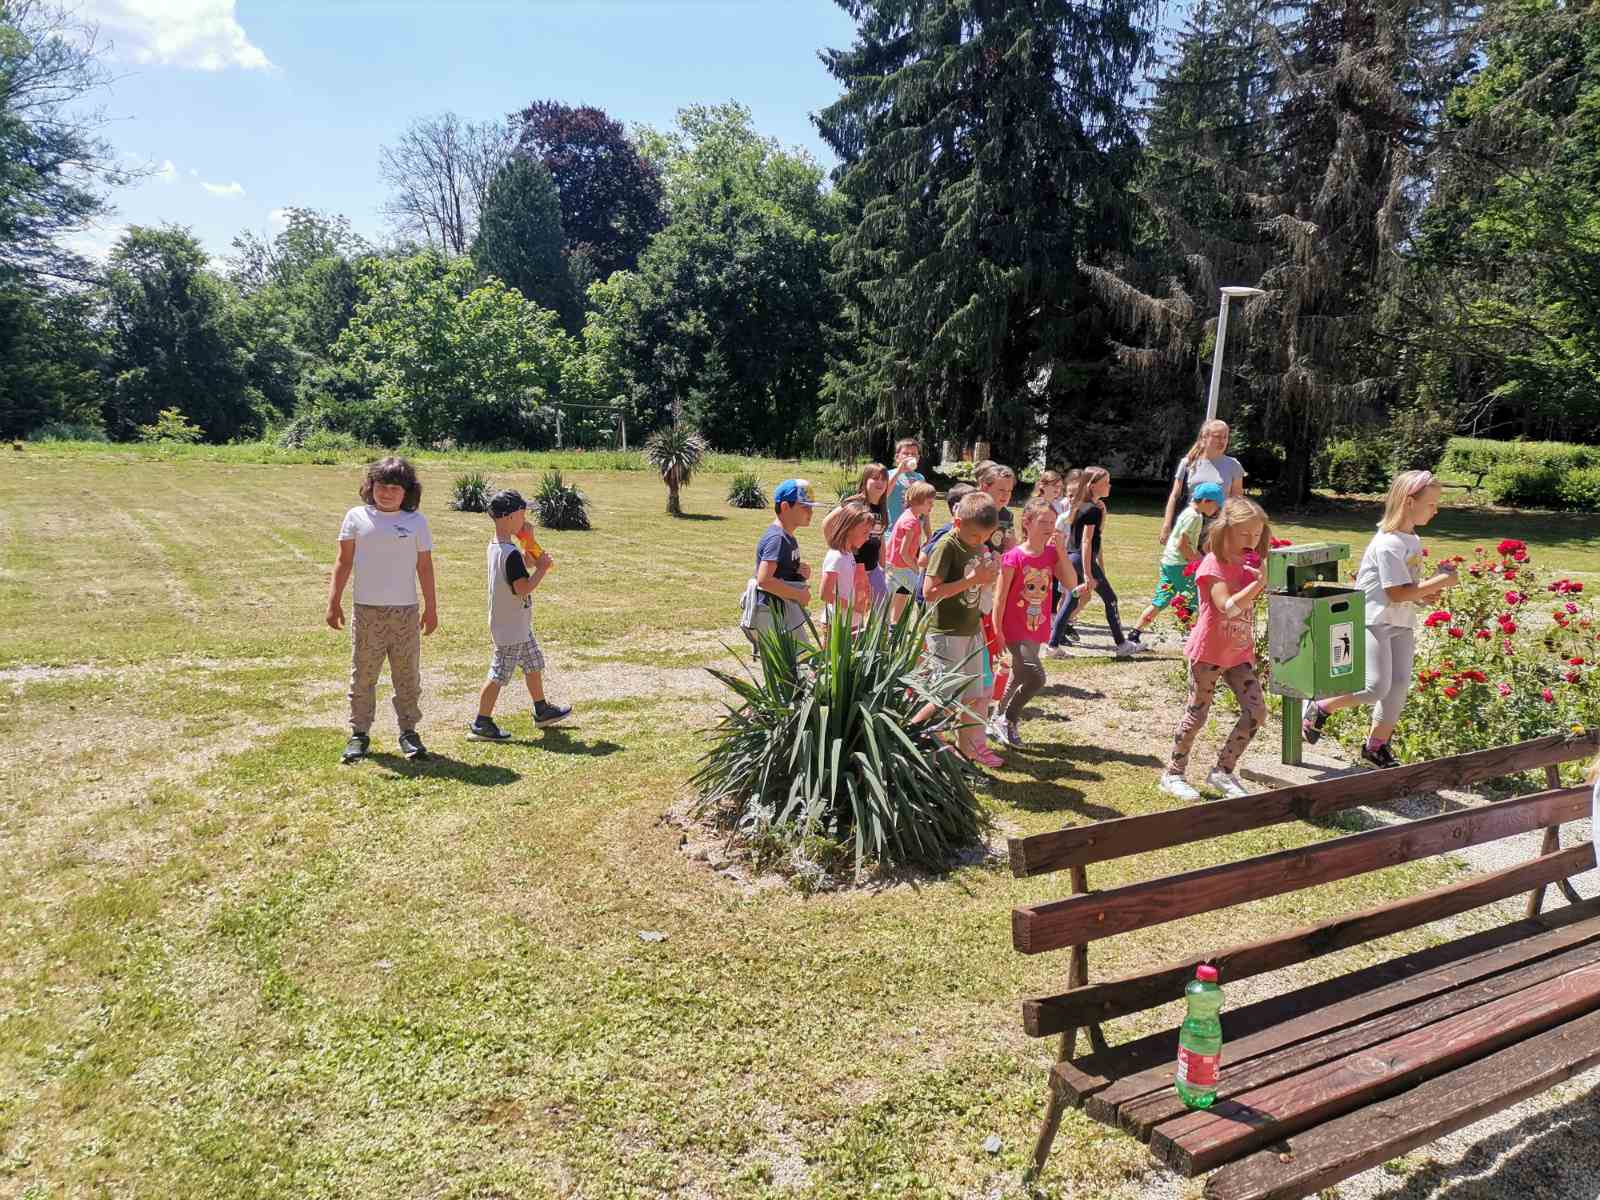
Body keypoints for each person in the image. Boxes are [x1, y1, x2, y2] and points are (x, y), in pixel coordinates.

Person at [1301, 470, 1460, 768]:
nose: (1436, 510)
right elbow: (1396, 593)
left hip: (1400, 620)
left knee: (1398, 686)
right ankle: (1321, 706)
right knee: (1375, 687)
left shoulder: (1411, 538)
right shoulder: (1388, 543)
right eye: (1431, 504)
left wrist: (1423, 594)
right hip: (1374, 618)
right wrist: (1441, 581)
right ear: (1409, 502)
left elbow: (1406, 587)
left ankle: (1375, 747)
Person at [326, 456, 438, 764]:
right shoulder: (356, 517)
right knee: (363, 674)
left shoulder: (416, 522)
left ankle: (409, 732)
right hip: (367, 611)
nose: (387, 493)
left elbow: (424, 567)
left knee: (407, 675)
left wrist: (431, 607)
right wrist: (333, 601)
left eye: (395, 488)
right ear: (370, 486)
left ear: (407, 491)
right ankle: (359, 733)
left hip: (405, 612)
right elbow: (343, 562)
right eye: (381, 486)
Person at [1160, 497, 1272, 801]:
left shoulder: (1251, 565)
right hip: (1208, 653)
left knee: (1256, 712)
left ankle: (1223, 771)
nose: (1252, 541)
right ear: (1226, 530)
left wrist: (1262, 577)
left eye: (1257, 534)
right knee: (1197, 714)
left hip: (1238, 653)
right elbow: (1227, 607)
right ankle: (1173, 774)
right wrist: (1259, 584)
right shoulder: (1213, 564)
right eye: (1244, 533)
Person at [470, 490, 571, 740]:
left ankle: (541, 709)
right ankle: (482, 722)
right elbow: (522, 588)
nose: (525, 520)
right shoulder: (510, 553)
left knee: (533, 663)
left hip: (516, 623)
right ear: (509, 517)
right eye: (522, 515)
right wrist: (543, 570)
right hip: (511, 628)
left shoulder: (499, 546)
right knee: (499, 675)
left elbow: (527, 561)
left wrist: (529, 540)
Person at [914, 492, 1002, 766]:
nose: (980, 541)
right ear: (957, 522)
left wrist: (988, 577)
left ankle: (967, 755)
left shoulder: (976, 544)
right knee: (946, 697)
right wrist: (973, 579)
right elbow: (929, 592)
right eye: (975, 535)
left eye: (986, 537)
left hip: (970, 630)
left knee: (974, 697)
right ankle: (913, 734)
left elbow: (976, 587)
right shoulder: (947, 546)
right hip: (946, 633)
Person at [995, 498, 1078, 747]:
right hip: (1013, 627)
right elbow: (1000, 598)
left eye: (1052, 522)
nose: (1049, 527)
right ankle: (1009, 719)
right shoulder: (1013, 557)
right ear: (1027, 522)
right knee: (1036, 677)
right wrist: (997, 630)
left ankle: (996, 717)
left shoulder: (1052, 555)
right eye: (1043, 522)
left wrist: (1062, 552)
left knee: (1019, 675)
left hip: (1036, 626)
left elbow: (1071, 583)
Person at [1050, 467, 1140, 658]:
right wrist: (1088, 573)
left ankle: (1053, 646)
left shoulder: (1081, 506)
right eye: (1105, 482)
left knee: (1071, 600)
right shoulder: (1092, 509)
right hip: (1082, 560)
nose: (1109, 486)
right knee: (1110, 599)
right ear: (1092, 485)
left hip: (1071, 558)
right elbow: (1086, 541)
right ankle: (1122, 644)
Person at [1128, 482, 1226, 645]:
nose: (1217, 510)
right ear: (1206, 501)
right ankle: (1190, 634)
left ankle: (1135, 633)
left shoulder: (1188, 512)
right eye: (1216, 505)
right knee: (1192, 598)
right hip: (1180, 565)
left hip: (1168, 563)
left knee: (1160, 600)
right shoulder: (1195, 517)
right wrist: (1195, 560)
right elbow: (1182, 544)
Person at [741, 478, 818, 645]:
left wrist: (798, 570)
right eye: (805, 507)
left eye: (811, 507)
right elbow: (764, 580)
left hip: (782, 611)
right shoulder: (777, 538)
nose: (810, 512)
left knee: (798, 658)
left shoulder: (787, 537)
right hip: (771, 613)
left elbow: (780, 571)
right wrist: (798, 595)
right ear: (785, 507)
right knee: (795, 658)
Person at [1161, 419, 1246, 547]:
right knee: (1184, 558)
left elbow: (1237, 501)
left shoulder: (1233, 465)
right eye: (1217, 436)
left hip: (1218, 527)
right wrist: (1167, 525)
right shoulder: (1188, 463)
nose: (1222, 441)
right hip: (1189, 523)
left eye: (1225, 437)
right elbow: (1175, 496)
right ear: (1204, 437)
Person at [886, 480, 937, 621]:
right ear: (918, 501)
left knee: (887, 603)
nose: (932, 507)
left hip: (892, 564)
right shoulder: (912, 522)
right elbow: (903, 553)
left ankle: (890, 627)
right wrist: (916, 570)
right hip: (900, 566)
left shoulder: (908, 515)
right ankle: (929, 623)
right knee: (922, 592)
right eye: (929, 503)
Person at [820, 502, 874, 632]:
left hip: (852, 622)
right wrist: (853, 606)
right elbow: (825, 594)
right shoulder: (836, 556)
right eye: (865, 532)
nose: (867, 538)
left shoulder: (849, 554)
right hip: (837, 625)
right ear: (849, 529)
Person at [848, 464, 891, 607]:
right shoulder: (855, 504)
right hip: (854, 568)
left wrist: (882, 567)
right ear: (865, 481)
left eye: (884, 479)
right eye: (875, 478)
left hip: (873, 568)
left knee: (882, 608)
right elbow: (830, 525)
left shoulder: (882, 508)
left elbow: (880, 538)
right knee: (855, 608)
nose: (880, 482)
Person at [883, 438, 926, 531]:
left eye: (913, 454)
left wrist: (929, 533)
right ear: (897, 457)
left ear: (918, 458)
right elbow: (884, 494)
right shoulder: (889, 475)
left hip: (912, 531)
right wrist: (899, 471)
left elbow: (924, 507)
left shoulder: (920, 478)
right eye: (906, 454)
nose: (910, 456)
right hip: (892, 529)